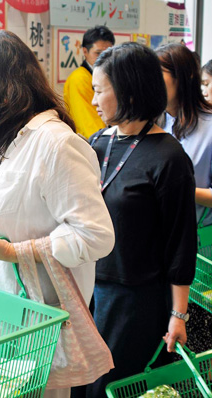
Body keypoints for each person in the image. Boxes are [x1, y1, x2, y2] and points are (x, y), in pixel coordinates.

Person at [0, 31, 115, 398]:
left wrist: (14, 252)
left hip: (33, 333)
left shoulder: (55, 143)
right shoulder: (1, 139)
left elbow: (96, 236)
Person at [84, 42, 196, 397]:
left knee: (108, 386)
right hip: (88, 287)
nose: (94, 101)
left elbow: (181, 242)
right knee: (80, 384)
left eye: (100, 91)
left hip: (135, 298)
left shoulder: (169, 158)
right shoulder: (97, 144)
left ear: (129, 91)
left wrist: (178, 316)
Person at [156, 44, 212, 354]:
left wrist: (180, 189)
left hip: (201, 251)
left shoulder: (209, 126)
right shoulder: (156, 123)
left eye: (159, 74)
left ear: (184, 77)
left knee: (198, 338)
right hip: (160, 248)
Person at [63, 25, 115, 139]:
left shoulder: (107, 75)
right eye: (98, 53)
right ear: (85, 51)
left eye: (109, 53)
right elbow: (89, 125)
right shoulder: (79, 79)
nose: (104, 58)